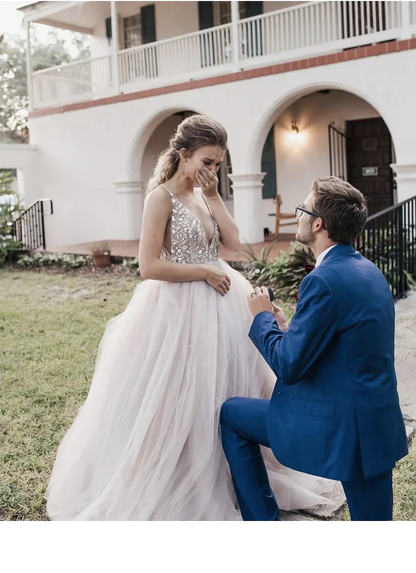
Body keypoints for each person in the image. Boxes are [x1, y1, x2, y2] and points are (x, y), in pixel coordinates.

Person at [45, 115, 336, 524]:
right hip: (177, 307)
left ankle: (231, 469)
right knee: (183, 391)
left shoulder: (205, 194)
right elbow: (148, 266)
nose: (212, 170)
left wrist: (215, 196)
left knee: (225, 384)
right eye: (207, 161)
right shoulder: (160, 198)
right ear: (183, 154)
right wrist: (202, 271)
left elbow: (233, 244)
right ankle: (182, 472)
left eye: (218, 163)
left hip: (222, 300)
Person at [220, 176, 409, 524]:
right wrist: (288, 325)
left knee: (232, 415)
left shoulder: (322, 280)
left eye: (302, 209)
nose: (300, 216)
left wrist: (262, 318)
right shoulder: (369, 271)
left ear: (318, 223)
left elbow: (289, 365)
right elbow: (346, 341)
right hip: (376, 421)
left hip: (338, 425)